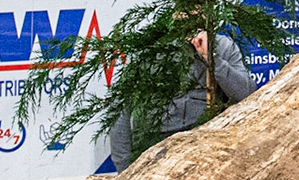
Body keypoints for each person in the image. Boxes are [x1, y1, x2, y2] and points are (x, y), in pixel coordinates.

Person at [106, 27, 254, 171]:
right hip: (154, 147)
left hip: (205, 145)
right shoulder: (151, 49)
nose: (192, 12)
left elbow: (246, 95)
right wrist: (124, 167)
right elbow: (120, 107)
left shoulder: (222, 46)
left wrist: (212, 58)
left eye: (199, 4)